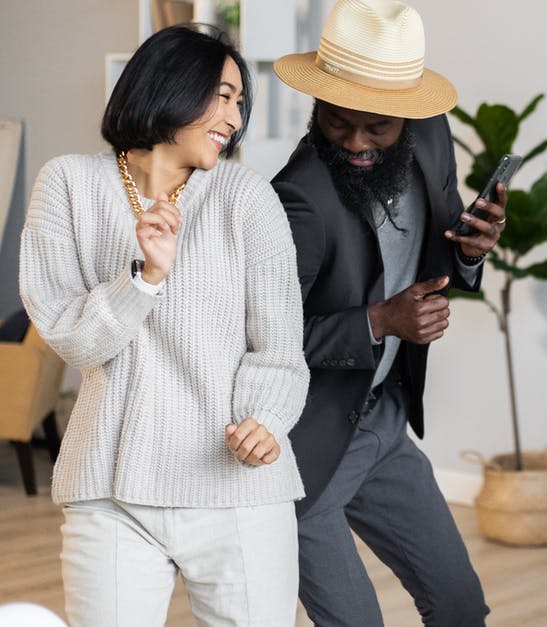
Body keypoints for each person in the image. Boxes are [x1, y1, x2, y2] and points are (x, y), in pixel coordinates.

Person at [18, 25, 309, 626]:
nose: (234, 116)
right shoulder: (68, 184)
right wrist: (143, 280)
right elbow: (71, 338)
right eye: (222, 95)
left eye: (239, 101)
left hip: (238, 488)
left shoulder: (247, 198)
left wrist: (266, 420)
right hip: (111, 489)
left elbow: (280, 350)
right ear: (170, 86)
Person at [270, 1, 501, 624]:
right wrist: (379, 321)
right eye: (339, 123)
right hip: (305, 451)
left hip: (382, 422)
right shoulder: (297, 201)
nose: (356, 143)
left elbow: (437, 244)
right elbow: (262, 341)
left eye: (377, 127)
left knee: (460, 607)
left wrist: (472, 252)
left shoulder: (429, 135)